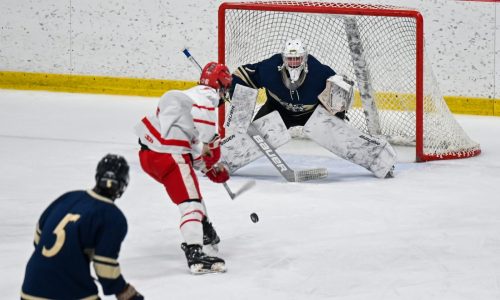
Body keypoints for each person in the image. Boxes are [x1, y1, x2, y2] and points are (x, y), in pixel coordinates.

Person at [226, 38, 396, 178]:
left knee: (340, 136)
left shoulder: (320, 73)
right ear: (283, 59)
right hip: (277, 110)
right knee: (252, 139)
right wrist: (233, 93)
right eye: (290, 59)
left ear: (304, 58)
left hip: (311, 113)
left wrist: (337, 118)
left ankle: (380, 158)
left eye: (297, 59)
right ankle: (222, 161)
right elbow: (244, 75)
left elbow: (337, 97)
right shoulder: (270, 68)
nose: (293, 63)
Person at [134, 62, 231, 274]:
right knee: (191, 203)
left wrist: (209, 168)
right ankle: (195, 254)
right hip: (169, 156)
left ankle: (203, 228)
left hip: (150, 155)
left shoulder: (186, 100)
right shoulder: (207, 95)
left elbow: (188, 147)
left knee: (191, 194)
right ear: (220, 85)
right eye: (225, 88)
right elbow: (204, 117)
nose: (224, 94)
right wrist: (212, 142)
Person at [21, 154, 144, 300]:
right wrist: (123, 290)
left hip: (31, 286)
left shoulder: (68, 197)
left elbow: (39, 239)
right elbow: (104, 266)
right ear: (123, 184)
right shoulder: (113, 217)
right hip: (70, 290)